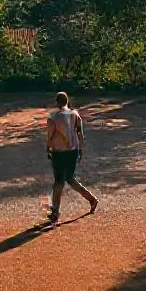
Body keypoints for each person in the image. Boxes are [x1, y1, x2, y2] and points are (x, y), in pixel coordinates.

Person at [45, 91, 98, 223]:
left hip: (59, 152)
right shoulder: (75, 115)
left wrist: (48, 148)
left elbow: (50, 134)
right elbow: (80, 133)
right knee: (70, 178)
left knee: (59, 181)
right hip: (72, 150)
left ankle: (55, 211)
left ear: (57, 102)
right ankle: (91, 199)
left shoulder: (53, 117)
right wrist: (80, 149)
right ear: (67, 101)